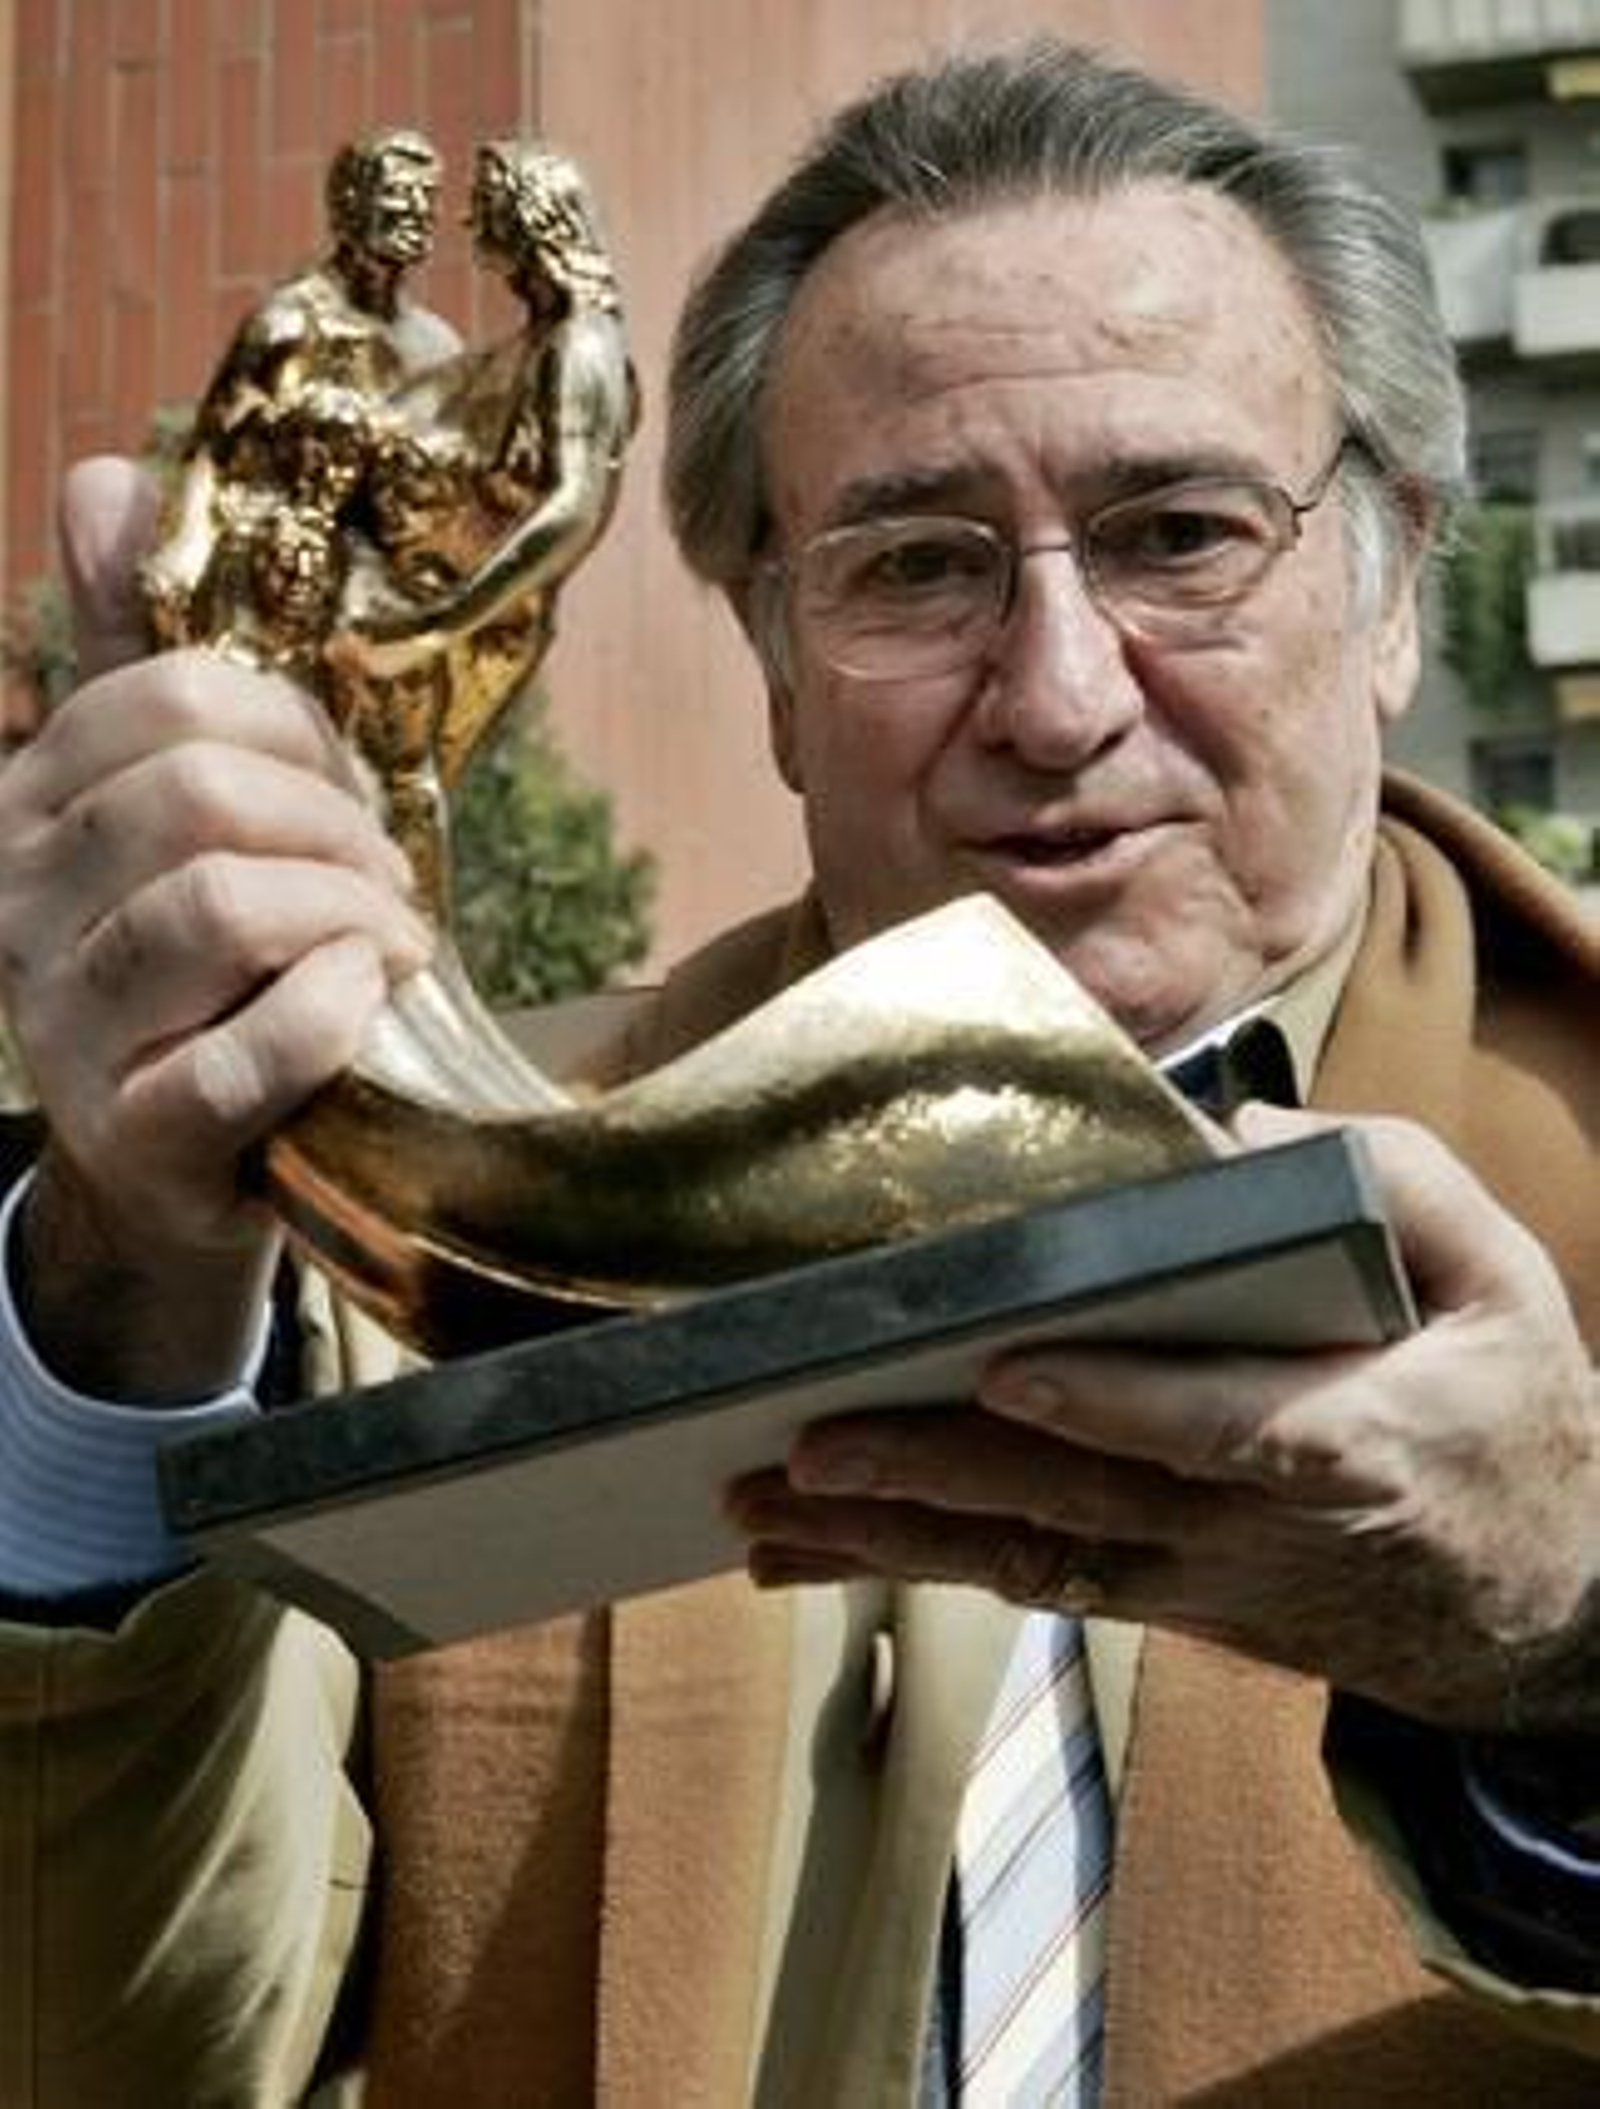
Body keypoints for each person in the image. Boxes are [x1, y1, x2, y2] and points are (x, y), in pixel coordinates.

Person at [0, 37, 1598, 2107]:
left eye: (1174, 532)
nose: (1053, 695)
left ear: (1387, 577)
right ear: (765, 650)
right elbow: (107, 2043)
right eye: (915, 564)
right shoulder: (457, 1223)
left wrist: (1556, 1646)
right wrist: (123, 1278)